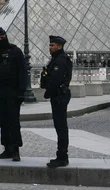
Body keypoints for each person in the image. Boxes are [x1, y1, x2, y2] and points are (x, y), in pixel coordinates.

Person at [0, 27, 27, 162]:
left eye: (1, 38)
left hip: (13, 91)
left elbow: (23, 73)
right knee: (3, 121)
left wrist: (21, 92)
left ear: (6, 37)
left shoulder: (16, 52)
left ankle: (15, 149)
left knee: (14, 121)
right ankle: (7, 148)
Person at [42, 35, 73, 168]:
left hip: (59, 96)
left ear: (59, 46)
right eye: (50, 45)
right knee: (60, 127)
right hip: (59, 95)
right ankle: (61, 155)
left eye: (52, 45)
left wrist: (47, 94)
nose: (50, 47)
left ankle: (62, 157)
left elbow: (55, 80)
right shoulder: (58, 59)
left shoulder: (60, 61)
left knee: (61, 127)